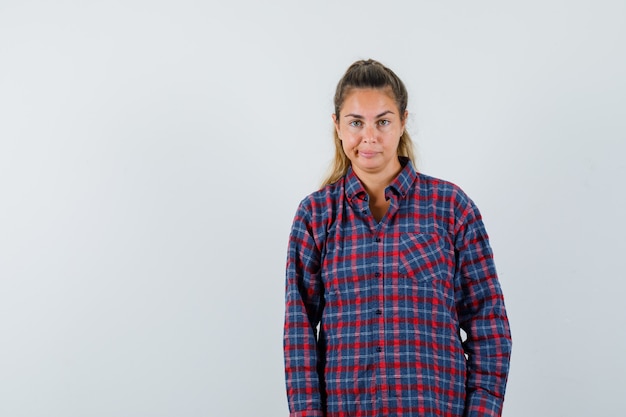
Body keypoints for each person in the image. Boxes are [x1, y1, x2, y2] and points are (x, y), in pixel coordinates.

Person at [283, 59, 512, 417]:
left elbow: (489, 324)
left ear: (403, 121)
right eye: (356, 122)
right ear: (338, 126)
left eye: (383, 121)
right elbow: (299, 335)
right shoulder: (316, 216)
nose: (369, 137)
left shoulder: (451, 208)